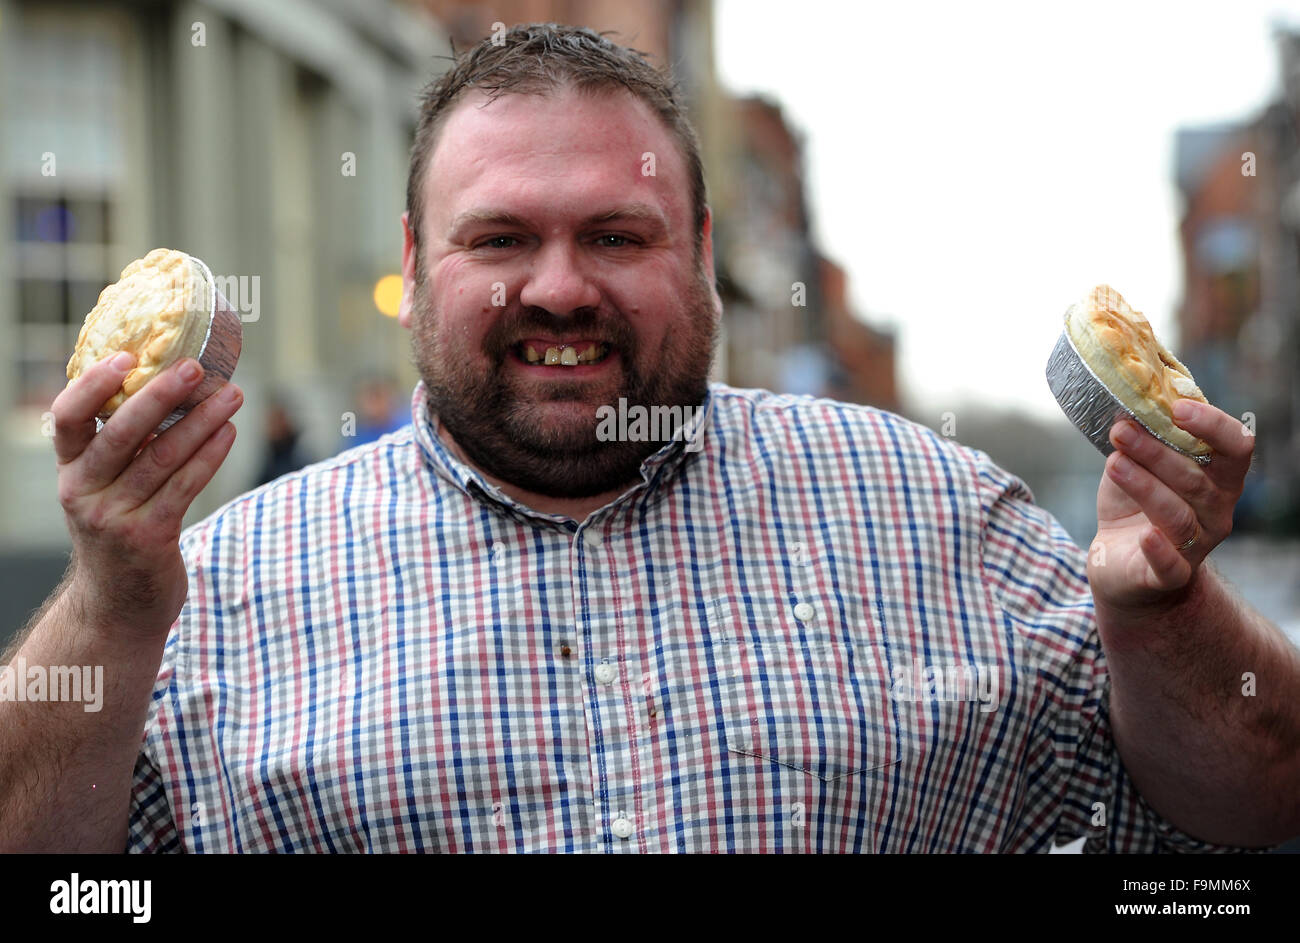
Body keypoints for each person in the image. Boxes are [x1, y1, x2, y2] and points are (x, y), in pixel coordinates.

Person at [3, 24, 1297, 854]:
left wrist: (1168, 611)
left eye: (615, 238)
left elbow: (1257, 814)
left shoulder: (942, 512)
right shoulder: (227, 584)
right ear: (414, 260)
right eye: (501, 237)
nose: (560, 287)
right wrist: (111, 606)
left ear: (702, 254)